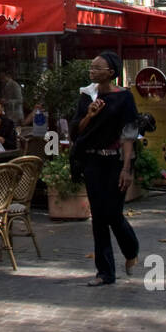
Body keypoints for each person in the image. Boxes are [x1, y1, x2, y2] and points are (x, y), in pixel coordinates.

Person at [70, 52, 140, 286]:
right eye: (91, 67)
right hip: (92, 162)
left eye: (97, 68)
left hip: (115, 162)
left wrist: (127, 167)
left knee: (113, 213)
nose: (92, 71)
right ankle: (105, 272)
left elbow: (129, 135)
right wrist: (90, 115)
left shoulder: (124, 98)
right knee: (98, 218)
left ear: (111, 72)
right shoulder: (87, 96)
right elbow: (76, 130)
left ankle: (131, 249)